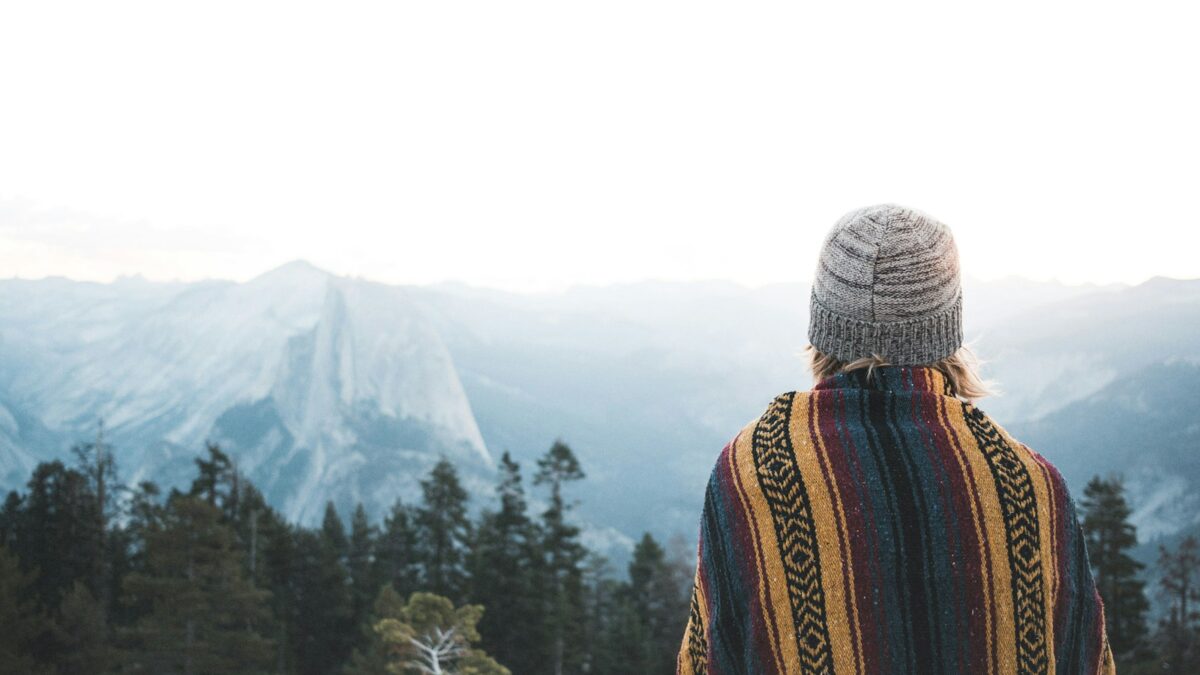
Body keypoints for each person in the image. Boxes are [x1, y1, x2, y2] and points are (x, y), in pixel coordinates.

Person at [676, 204, 1114, 674]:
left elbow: (709, 660)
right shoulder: (1028, 485)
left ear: (823, 328)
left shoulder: (754, 470)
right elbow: (1084, 657)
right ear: (945, 332)